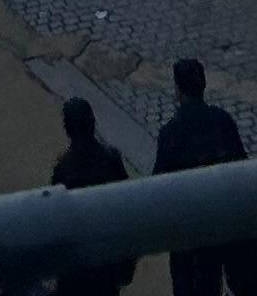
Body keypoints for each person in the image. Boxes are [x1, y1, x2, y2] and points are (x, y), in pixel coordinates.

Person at [151, 57, 246, 296]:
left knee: (184, 283)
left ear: (178, 90)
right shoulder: (223, 122)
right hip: (217, 222)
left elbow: (158, 185)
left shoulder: (171, 133)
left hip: (185, 228)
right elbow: (242, 170)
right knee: (211, 280)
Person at [45, 95, 132, 296]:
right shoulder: (111, 159)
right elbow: (126, 206)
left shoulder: (64, 169)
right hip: (106, 261)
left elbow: (56, 221)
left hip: (77, 266)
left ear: (68, 129)